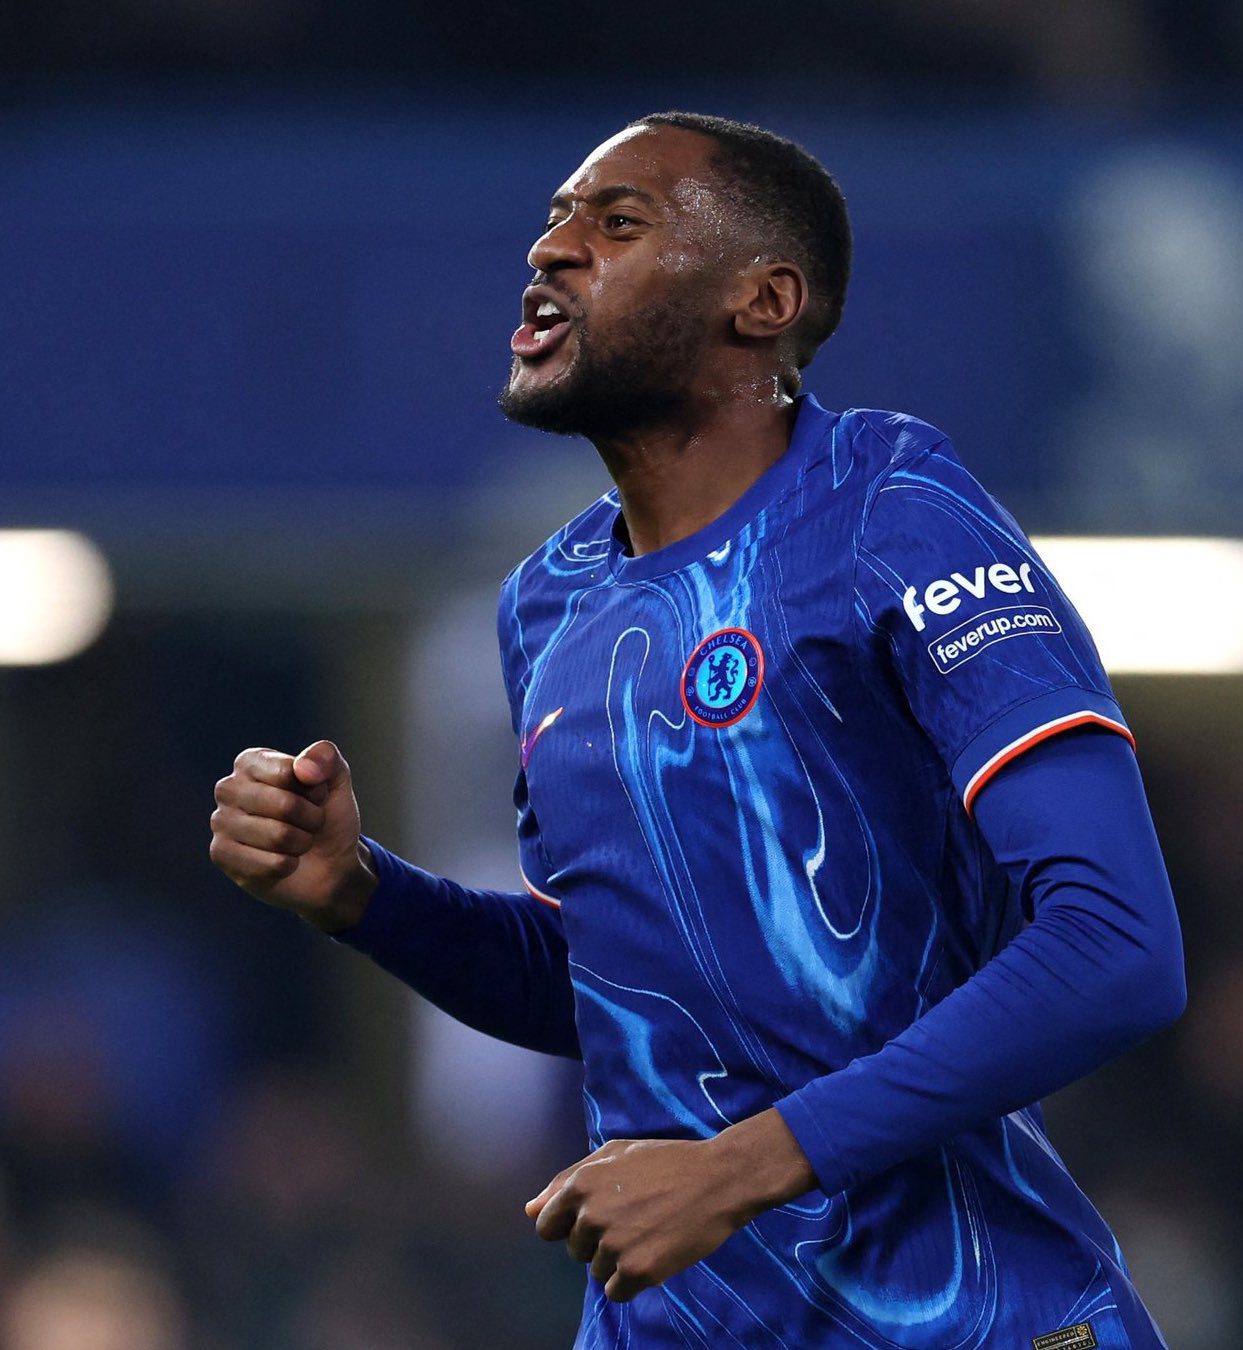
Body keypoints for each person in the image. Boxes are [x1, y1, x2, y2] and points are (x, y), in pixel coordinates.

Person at [210, 112, 1187, 1349]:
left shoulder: (893, 512)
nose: (551, 250)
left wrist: (737, 1170)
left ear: (762, 301)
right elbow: (619, 988)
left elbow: (1116, 946)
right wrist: (366, 895)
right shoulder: (548, 603)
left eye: (617, 223)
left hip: (968, 1318)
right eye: (556, 219)